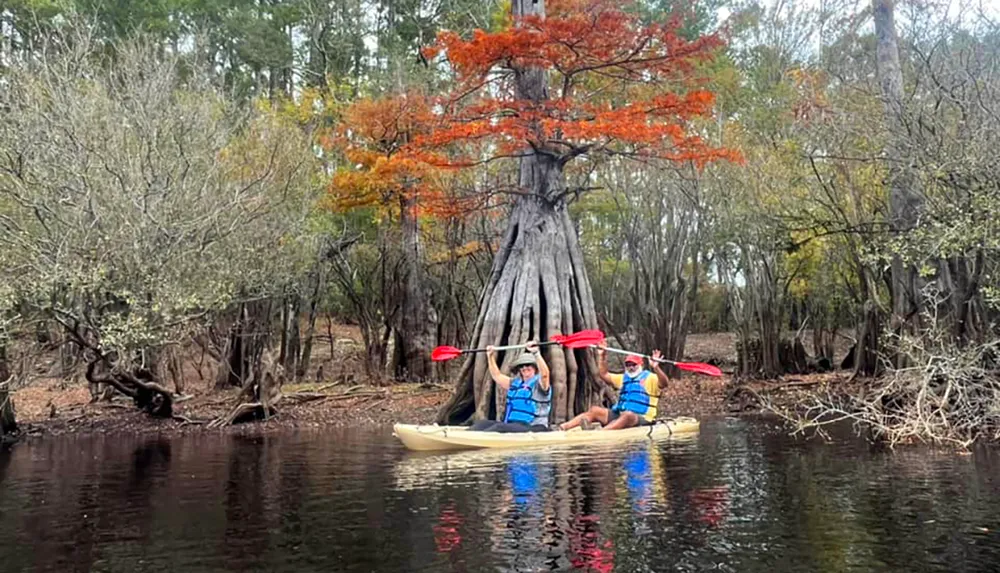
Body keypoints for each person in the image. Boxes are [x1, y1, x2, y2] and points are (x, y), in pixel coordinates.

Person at [559, 342, 667, 431]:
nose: (631, 367)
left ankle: (601, 433)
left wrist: (656, 367)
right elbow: (603, 375)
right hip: (620, 415)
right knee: (595, 410)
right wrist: (602, 356)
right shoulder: (623, 378)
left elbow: (664, 383)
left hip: (642, 417)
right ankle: (563, 427)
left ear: (640, 365)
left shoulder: (650, 378)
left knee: (628, 415)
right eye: (628, 365)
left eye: (634, 365)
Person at [469, 341, 552, 433]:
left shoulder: (540, 385)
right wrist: (490, 356)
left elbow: (545, 375)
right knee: (481, 424)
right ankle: (464, 437)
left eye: (528, 365)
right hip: (514, 424)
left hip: (535, 426)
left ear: (535, 368)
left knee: (499, 428)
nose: (525, 367)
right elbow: (497, 376)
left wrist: (536, 353)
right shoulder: (515, 384)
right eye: (521, 366)